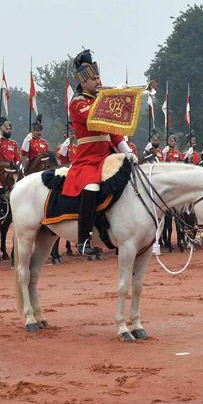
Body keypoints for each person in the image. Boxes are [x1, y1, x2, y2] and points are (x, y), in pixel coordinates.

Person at [63, 50, 135, 256]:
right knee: (92, 188)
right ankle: (83, 239)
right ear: (84, 83)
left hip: (107, 157)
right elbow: (97, 118)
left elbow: (114, 132)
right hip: (87, 159)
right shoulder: (78, 103)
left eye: (98, 77)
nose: (98, 81)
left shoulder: (101, 101)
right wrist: (114, 98)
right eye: (94, 79)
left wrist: (127, 152)